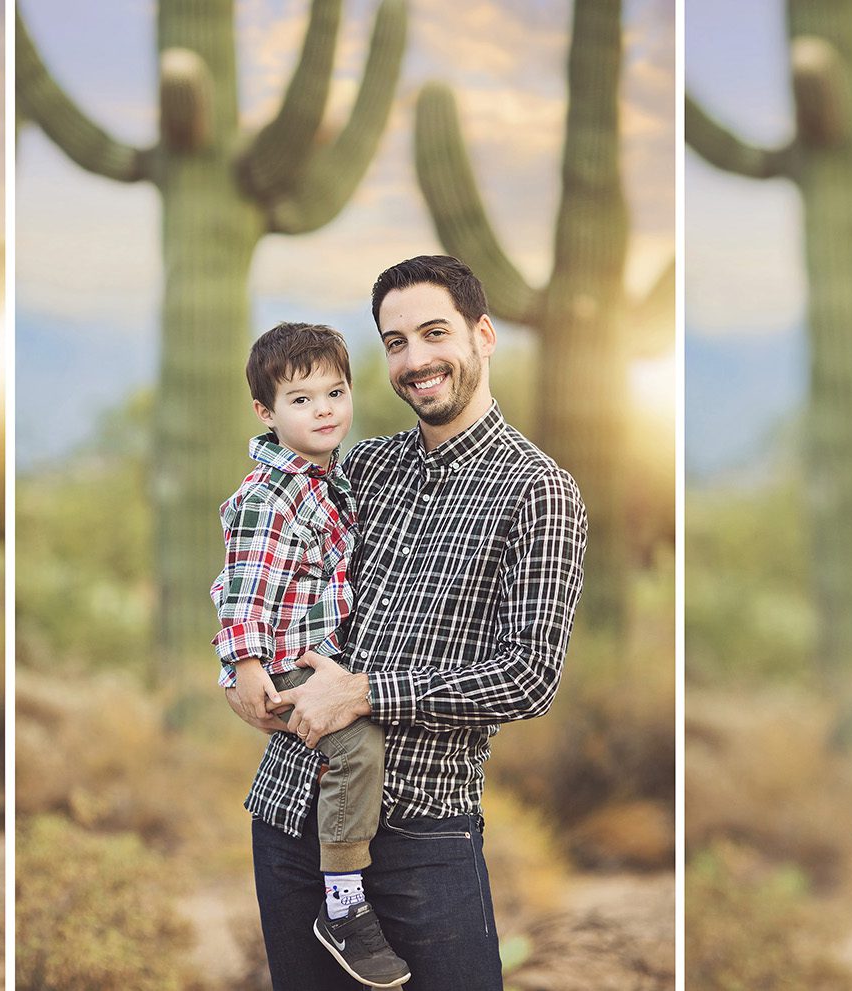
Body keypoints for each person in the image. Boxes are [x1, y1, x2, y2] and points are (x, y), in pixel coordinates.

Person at [225, 254, 587, 991]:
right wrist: (238, 665)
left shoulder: (540, 491)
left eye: (433, 333)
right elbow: (263, 558)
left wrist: (365, 694)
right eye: (395, 342)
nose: (416, 359)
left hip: (424, 827)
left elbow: (531, 675)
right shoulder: (364, 467)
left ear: (483, 335)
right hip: (291, 809)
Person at [212, 321, 409, 988]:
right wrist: (244, 670)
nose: (324, 408)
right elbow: (241, 591)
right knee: (357, 747)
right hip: (289, 656)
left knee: (351, 748)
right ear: (266, 412)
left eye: (335, 391)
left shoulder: (329, 479)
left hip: (319, 648)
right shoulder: (269, 496)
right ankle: (343, 901)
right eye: (301, 399)